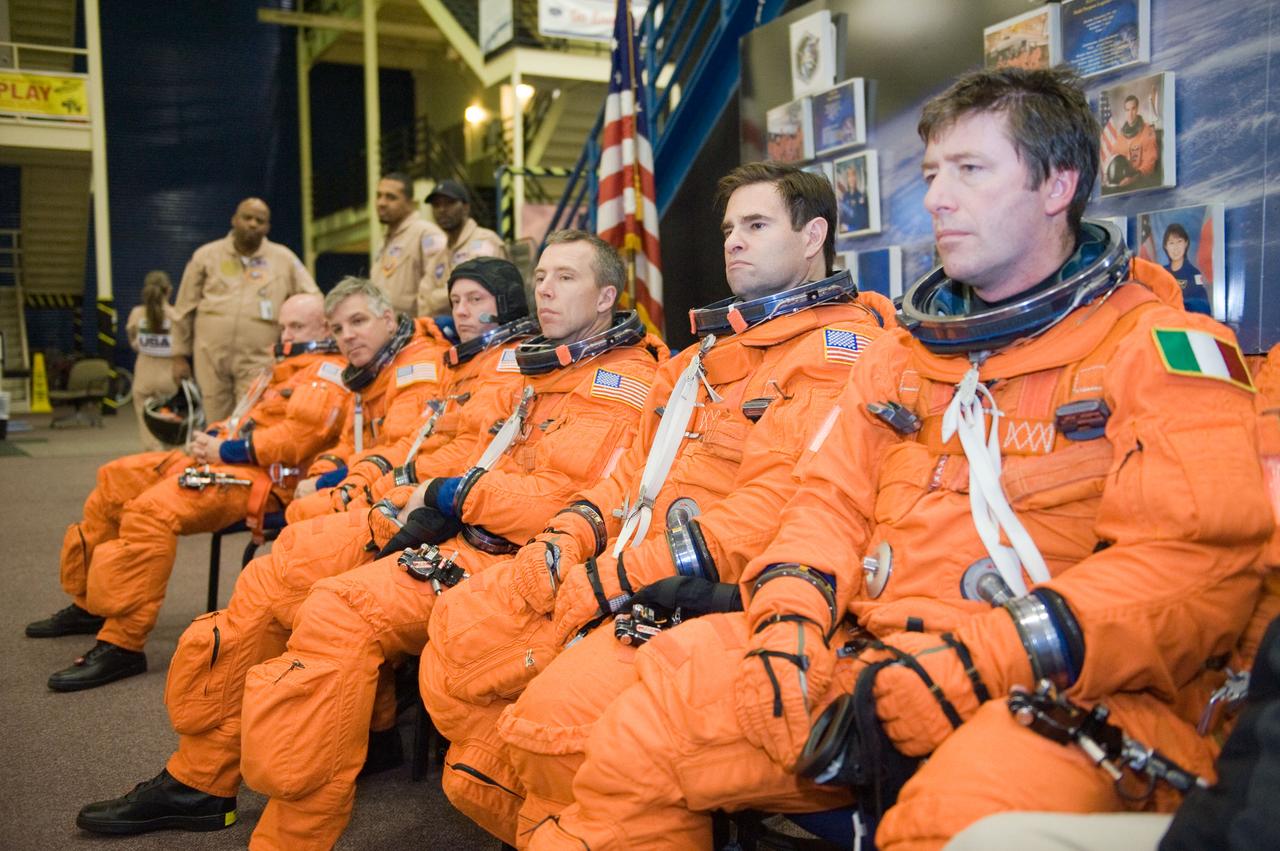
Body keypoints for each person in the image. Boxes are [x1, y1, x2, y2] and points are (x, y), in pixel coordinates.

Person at [522, 67, 1270, 851]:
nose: (938, 198)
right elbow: (824, 504)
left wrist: (968, 667)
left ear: (1059, 184)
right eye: (932, 174)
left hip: (1064, 692)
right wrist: (787, 620)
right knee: (641, 725)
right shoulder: (902, 359)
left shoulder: (1163, 351)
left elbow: (1191, 568)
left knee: (953, 822)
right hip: (872, 658)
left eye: (970, 171)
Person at [73, 236, 665, 848]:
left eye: (563, 278)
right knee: (276, 575)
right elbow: (462, 457)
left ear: (604, 297)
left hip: (520, 565)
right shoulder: (544, 370)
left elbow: (568, 504)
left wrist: (451, 496)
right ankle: (201, 778)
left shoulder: (624, 385)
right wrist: (419, 496)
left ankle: (293, 834)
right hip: (463, 534)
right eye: (540, 275)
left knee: (336, 611)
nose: (544, 288)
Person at [421, 162, 892, 845]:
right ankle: (547, 816)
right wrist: (567, 536)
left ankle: (577, 819)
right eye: (730, 227)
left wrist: (614, 577)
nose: (734, 241)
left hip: (707, 592)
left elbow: (773, 510)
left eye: (757, 225)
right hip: (628, 566)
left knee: (551, 726)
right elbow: (628, 476)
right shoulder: (701, 360)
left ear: (814, 233)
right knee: (460, 637)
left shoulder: (836, 354)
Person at [26, 293, 347, 691]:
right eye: (282, 326)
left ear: (326, 329)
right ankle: (89, 603)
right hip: (220, 463)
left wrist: (225, 448)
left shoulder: (328, 372)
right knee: (114, 480)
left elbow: (296, 440)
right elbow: (241, 419)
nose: (285, 335)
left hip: (262, 484)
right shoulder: (282, 371)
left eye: (296, 327)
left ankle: (123, 643)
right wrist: (211, 437)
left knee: (148, 512)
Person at [171, 198, 319, 421]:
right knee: (215, 420)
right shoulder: (206, 256)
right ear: (234, 220)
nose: (252, 224)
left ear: (267, 227)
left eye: (259, 220)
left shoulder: (284, 259)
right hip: (210, 357)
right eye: (247, 218)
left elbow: (313, 297)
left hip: (258, 358)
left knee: (252, 418)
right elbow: (184, 307)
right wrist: (179, 355)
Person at [417, 180, 506, 318]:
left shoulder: (484, 241)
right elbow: (423, 298)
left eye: (449, 203)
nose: (442, 210)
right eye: (436, 205)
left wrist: (434, 299)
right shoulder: (439, 255)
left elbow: (475, 289)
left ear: (465, 207)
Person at [370, 172, 447, 316]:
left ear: (409, 202)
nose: (381, 203)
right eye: (379, 195)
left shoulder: (426, 234)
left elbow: (440, 286)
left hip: (415, 331)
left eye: (390, 197)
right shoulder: (385, 240)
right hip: (385, 328)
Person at [127, 270, 180, 450]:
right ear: (169, 290)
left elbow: (133, 343)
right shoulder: (176, 316)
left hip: (143, 377)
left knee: (148, 430)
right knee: (172, 428)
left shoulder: (136, 314)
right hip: (171, 379)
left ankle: (154, 460)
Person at [1103, 93, 1159, 191]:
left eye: (1133, 109)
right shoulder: (1121, 135)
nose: (1130, 113)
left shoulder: (1147, 132)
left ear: (1137, 109)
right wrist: (1107, 173)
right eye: (1127, 110)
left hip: (1140, 181)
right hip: (1122, 180)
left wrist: (1134, 178)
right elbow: (1114, 155)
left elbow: (1150, 163)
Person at [1161, 223, 1209, 311]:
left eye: (1179, 241)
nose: (1176, 248)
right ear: (1165, 246)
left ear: (1186, 243)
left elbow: (1202, 307)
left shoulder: (1194, 274)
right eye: (1171, 243)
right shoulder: (1161, 273)